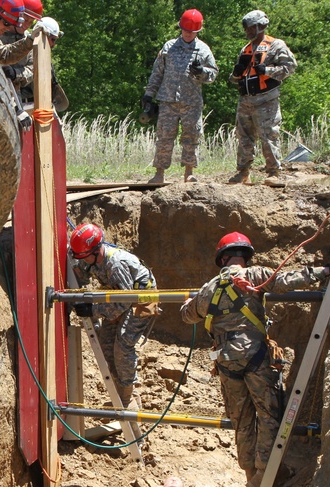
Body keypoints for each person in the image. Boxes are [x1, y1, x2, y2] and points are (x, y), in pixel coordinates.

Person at [179, 232, 330, 487]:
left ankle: (249, 472)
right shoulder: (254, 276)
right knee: (268, 415)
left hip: (226, 361)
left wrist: (188, 304)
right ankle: (263, 475)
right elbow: (287, 281)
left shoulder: (210, 287)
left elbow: (187, 316)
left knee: (242, 419)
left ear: (222, 258)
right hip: (255, 356)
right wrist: (324, 270)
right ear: (245, 256)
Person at [69, 223, 157, 409]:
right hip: (119, 294)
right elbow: (80, 272)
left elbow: (123, 302)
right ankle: (126, 395)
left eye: (85, 257)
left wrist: (93, 310)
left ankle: (126, 401)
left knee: (123, 345)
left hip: (140, 298)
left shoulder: (115, 265)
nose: (83, 260)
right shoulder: (91, 257)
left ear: (95, 251)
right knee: (106, 345)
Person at [141, 9, 218, 185]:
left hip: (191, 103)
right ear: (180, 28)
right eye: (185, 30)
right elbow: (157, 73)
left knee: (191, 136)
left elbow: (213, 74)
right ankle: (159, 173)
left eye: (191, 31)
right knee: (164, 136)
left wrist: (202, 72)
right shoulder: (169, 47)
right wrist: (148, 94)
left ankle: (189, 173)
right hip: (168, 101)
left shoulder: (204, 49)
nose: (188, 33)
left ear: (197, 31)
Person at [227, 10, 297, 186]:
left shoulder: (276, 45)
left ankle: (273, 172)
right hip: (245, 100)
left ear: (260, 26)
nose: (248, 31)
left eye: (251, 27)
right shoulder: (246, 49)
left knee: (269, 135)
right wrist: (235, 73)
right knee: (243, 137)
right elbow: (234, 79)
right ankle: (243, 172)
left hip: (266, 100)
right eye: (246, 28)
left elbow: (290, 67)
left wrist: (267, 71)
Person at [6, 16, 70, 113]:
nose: (53, 44)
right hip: (13, 97)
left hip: (32, 100)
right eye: (52, 39)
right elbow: (32, 71)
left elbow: (32, 72)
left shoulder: (40, 52)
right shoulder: (27, 44)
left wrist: (16, 73)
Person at [0, 0, 43, 66]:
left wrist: (30, 40)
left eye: (11, 24)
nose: (8, 28)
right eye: (6, 23)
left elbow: (4, 55)